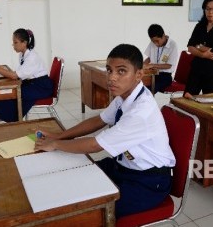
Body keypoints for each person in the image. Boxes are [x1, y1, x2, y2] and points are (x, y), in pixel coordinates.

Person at [34, 43, 175, 219]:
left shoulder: (141, 111)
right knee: (75, 177)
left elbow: (95, 145)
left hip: (148, 182)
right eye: (109, 70)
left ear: (139, 75)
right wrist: (59, 135)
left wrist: (56, 144)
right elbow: (98, 120)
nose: (112, 78)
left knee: (91, 211)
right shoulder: (124, 96)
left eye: (121, 71)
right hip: (123, 167)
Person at [0, 28, 53, 123]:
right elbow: (19, 74)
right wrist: (0, 69)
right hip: (33, 83)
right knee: (6, 91)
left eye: (15, 42)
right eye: (13, 42)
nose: (13, 45)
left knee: (13, 93)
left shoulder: (32, 57)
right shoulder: (22, 54)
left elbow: (14, 76)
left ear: (24, 43)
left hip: (41, 86)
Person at [183, 0, 213, 99]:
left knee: (207, 103)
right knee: (187, 99)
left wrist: (198, 46)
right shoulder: (199, 26)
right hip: (196, 69)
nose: (210, 12)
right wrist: (203, 54)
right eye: (207, 9)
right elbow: (190, 47)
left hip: (212, 72)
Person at [143, 24, 178, 93]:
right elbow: (149, 58)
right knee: (141, 86)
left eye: (157, 41)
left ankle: (148, 103)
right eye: (153, 41)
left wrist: (152, 65)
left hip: (165, 77)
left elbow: (169, 65)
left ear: (163, 35)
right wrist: (142, 65)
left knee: (149, 90)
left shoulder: (172, 45)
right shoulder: (152, 43)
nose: (156, 44)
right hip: (153, 74)